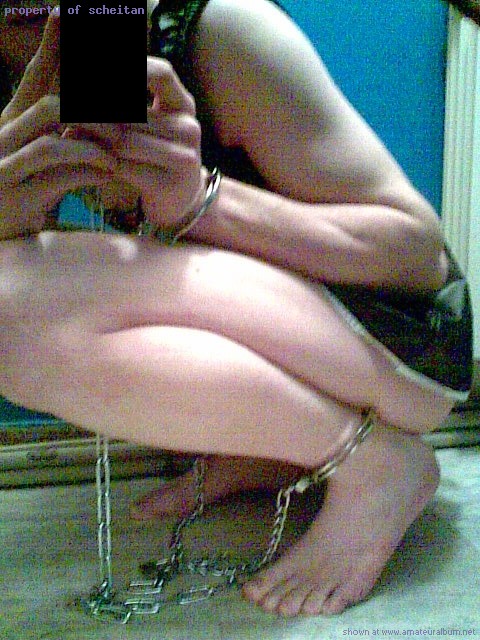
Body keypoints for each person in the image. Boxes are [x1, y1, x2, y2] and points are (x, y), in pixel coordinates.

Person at [0, 0, 472, 618]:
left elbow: (415, 254)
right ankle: (272, 452)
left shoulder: (220, 34)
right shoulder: (21, 69)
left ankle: (373, 463)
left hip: (405, 345)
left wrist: (202, 200)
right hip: (295, 324)